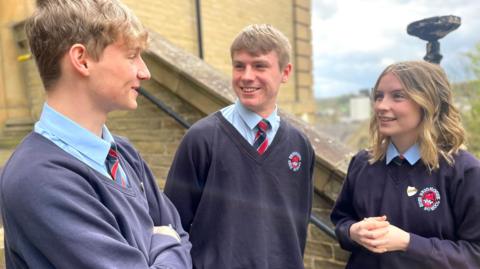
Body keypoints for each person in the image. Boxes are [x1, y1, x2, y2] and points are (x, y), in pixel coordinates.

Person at [0, 0, 192, 268]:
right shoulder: (39, 178)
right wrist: (164, 241)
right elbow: (175, 240)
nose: (144, 72)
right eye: (131, 55)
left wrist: (165, 242)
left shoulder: (123, 154)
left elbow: (180, 232)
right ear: (82, 59)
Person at [164, 24, 315, 269]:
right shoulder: (201, 139)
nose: (246, 76)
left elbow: (299, 225)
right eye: (239, 65)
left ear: (285, 72)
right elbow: (171, 224)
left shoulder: (300, 145)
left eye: (259, 66)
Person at [330, 60, 480, 268]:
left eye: (398, 96)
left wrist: (408, 243)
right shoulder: (363, 163)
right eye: (379, 96)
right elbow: (342, 221)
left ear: (429, 103)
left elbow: (474, 255)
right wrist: (352, 232)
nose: (381, 106)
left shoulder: (465, 171)